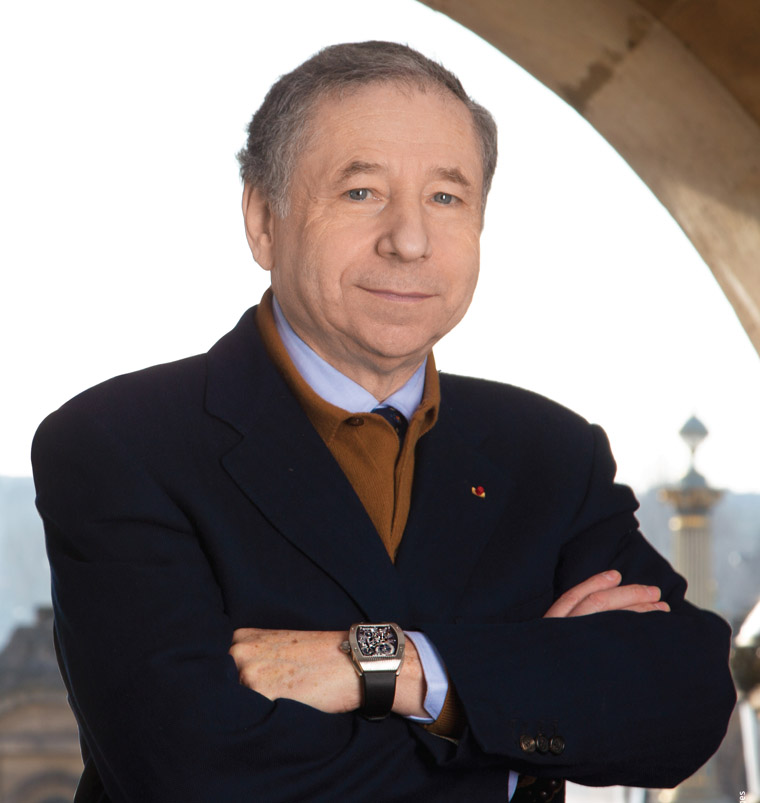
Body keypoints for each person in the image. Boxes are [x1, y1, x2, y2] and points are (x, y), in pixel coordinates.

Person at [32, 41, 735, 803]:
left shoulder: (548, 452)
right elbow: (196, 775)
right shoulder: (119, 443)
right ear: (263, 220)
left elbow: (686, 700)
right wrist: (519, 721)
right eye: (362, 191)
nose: (410, 240)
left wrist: (396, 666)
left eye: (446, 197)